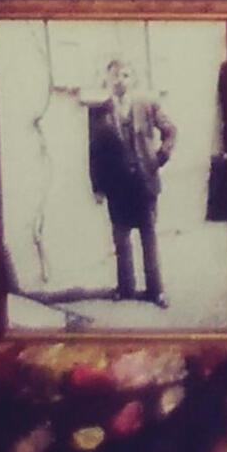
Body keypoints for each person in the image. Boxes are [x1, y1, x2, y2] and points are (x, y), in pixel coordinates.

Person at [80, 55, 173, 301]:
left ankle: (156, 290)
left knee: (148, 237)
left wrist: (159, 158)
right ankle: (125, 288)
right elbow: (94, 151)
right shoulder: (99, 112)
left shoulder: (147, 104)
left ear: (133, 79)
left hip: (144, 182)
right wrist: (97, 186)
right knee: (121, 239)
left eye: (125, 75)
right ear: (107, 79)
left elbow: (170, 130)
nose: (120, 80)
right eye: (115, 75)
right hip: (117, 185)